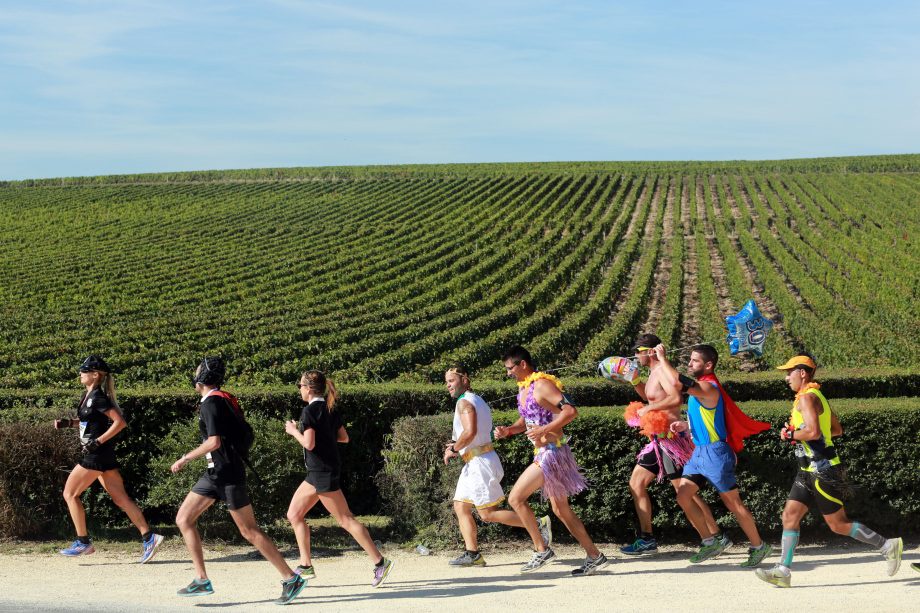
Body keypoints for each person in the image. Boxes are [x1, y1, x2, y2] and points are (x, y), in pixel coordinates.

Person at [754, 355, 903, 587]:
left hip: (823, 470)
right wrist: (799, 432)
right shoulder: (816, 396)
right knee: (789, 516)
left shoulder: (806, 398)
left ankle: (887, 546)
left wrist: (791, 434)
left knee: (838, 525)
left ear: (802, 373)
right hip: (807, 470)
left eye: (789, 372)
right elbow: (835, 430)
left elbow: (813, 433)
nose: (786, 377)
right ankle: (783, 570)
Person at [171, 357, 306, 605]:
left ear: (203, 378)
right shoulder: (222, 398)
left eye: (198, 369)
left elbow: (214, 442)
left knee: (249, 530)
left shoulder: (211, 403)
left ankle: (291, 578)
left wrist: (184, 458)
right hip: (215, 473)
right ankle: (201, 579)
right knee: (184, 518)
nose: (194, 371)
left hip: (228, 474)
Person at [494, 346, 609, 576]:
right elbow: (526, 421)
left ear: (523, 364)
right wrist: (508, 430)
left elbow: (570, 411)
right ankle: (595, 555)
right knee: (561, 509)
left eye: (510, 368)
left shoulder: (543, 384)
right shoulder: (525, 387)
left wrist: (544, 429)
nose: (508, 373)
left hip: (551, 453)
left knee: (516, 498)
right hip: (545, 452)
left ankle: (542, 549)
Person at [659, 343, 773, 566]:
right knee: (683, 496)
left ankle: (759, 546)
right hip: (699, 453)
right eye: (690, 360)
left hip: (716, 454)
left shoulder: (709, 388)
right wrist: (686, 426)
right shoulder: (701, 388)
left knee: (734, 504)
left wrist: (662, 359)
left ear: (708, 365)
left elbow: (677, 381)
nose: (690, 364)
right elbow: (706, 418)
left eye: (695, 361)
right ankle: (711, 542)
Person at [610, 333, 721, 555]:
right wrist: (634, 382)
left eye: (639, 352)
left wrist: (648, 410)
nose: (635, 356)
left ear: (651, 352)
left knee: (685, 492)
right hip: (658, 441)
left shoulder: (661, 370)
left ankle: (715, 537)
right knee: (637, 483)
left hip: (672, 442)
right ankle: (647, 538)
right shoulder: (653, 373)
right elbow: (651, 397)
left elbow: (675, 398)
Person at [284, 370, 394, 587]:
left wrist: (293, 431)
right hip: (318, 473)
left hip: (322, 473)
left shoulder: (308, 412)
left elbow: (309, 444)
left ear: (307, 388)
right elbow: (343, 437)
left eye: (300, 386)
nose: (299, 390)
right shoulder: (329, 408)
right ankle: (306, 565)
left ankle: (380, 562)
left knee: (346, 520)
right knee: (294, 514)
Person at [55, 355, 163, 563]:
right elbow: (91, 421)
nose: (80, 374)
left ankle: (83, 542)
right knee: (121, 499)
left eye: (84, 371)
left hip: (95, 455)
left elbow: (120, 422)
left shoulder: (98, 397)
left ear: (95, 375)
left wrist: (98, 442)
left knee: (69, 494)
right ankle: (150, 538)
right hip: (103, 456)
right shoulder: (89, 396)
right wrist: (69, 423)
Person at [443, 365, 551, 567]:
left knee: (488, 514)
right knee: (461, 506)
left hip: (479, 463)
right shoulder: (476, 399)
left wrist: (454, 449)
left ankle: (537, 525)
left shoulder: (464, 402)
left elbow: (470, 432)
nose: (447, 385)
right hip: (474, 461)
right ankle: (472, 554)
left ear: (465, 380)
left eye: (451, 381)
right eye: (447, 381)